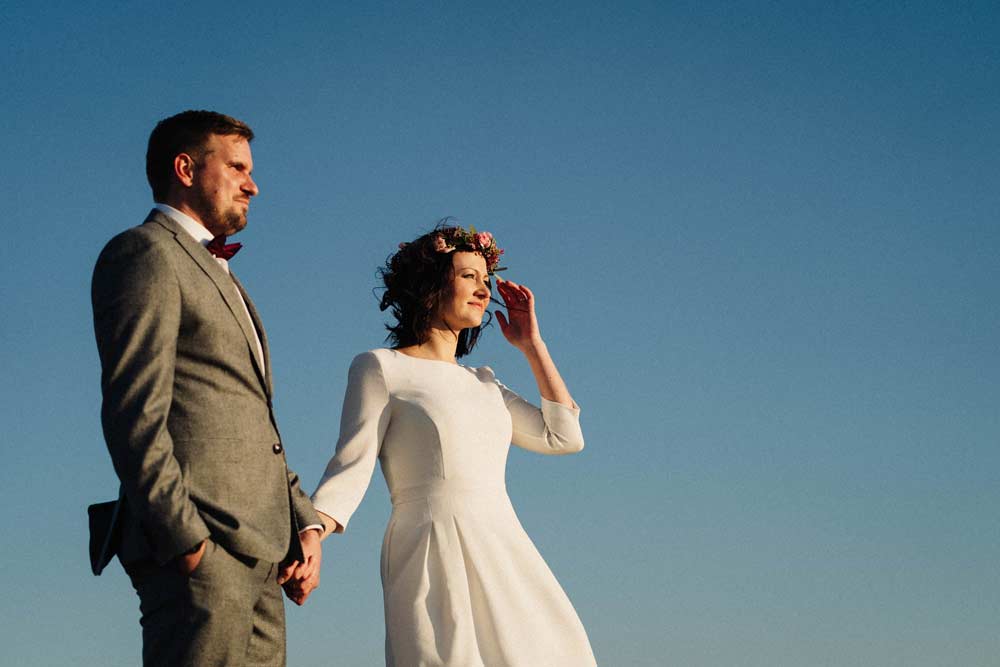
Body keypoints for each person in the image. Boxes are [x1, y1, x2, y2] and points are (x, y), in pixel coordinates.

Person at [303, 224, 597, 666]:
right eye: (468, 277)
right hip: (430, 548)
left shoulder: (484, 383)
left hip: (504, 549)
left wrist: (531, 345)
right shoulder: (381, 367)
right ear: (430, 288)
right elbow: (351, 466)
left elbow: (565, 436)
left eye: (486, 280)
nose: (484, 290)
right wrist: (312, 532)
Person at [91, 110, 323, 666]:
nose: (253, 184)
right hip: (203, 557)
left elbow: (249, 422)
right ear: (186, 168)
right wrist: (189, 543)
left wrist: (304, 520)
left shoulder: (223, 275)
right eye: (238, 167)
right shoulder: (146, 253)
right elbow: (133, 413)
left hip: (267, 560)